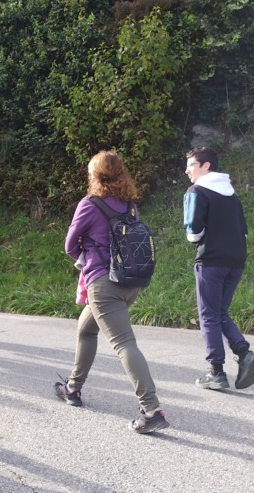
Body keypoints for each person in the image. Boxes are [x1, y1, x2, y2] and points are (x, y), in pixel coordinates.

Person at [58, 151, 170, 434]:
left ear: (95, 176)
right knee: (86, 330)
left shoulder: (89, 204)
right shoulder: (130, 206)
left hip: (103, 284)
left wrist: (87, 253)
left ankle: (151, 410)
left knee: (123, 344)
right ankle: (73, 388)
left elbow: (70, 245)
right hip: (130, 283)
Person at [184, 147, 254, 390]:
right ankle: (244, 353)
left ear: (206, 165)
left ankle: (216, 372)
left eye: (191, 165)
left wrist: (199, 237)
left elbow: (193, 232)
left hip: (211, 261)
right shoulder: (232, 195)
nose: (187, 171)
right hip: (236, 261)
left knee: (208, 315)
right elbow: (244, 231)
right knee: (219, 312)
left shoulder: (196, 191)